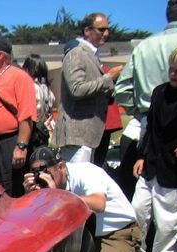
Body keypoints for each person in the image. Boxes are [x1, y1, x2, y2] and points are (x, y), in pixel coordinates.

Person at [24, 146, 145, 252]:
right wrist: (31, 197)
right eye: (36, 173)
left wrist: (59, 195)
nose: (42, 177)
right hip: (80, 234)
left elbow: (99, 204)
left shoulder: (87, 172)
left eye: (45, 171)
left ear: (61, 166)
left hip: (115, 232)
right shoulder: (45, 186)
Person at [115, 0, 177, 200]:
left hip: (146, 126)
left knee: (146, 200)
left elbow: (122, 89)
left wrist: (141, 111)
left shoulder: (144, 45)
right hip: (165, 131)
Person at [131, 46, 177, 252]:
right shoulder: (159, 92)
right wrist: (141, 156)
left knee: (168, 220)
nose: (173, 75)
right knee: (137, 211)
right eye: (172, 70)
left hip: (174, 169)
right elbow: (150, 128)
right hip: (151, 162)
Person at [55, 12, 123, 164]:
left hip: (89, 136)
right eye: (101, 29)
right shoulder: (76, 54)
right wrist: (108, 78)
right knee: (77, 184)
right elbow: (77, 89)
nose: (106, 33)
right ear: (87, 31)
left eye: (107, 30)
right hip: (77, 135)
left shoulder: (92, 55)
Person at [0, 31, 36, 197]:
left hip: (9, 145)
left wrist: (21, 146)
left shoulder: (19, 77)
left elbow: (27, 115)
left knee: (10, 192)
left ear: (0, 55)